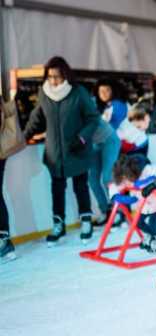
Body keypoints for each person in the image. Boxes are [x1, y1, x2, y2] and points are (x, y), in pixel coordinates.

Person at [24, 56, 100, 246]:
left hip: (77, 149)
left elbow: (93, 118)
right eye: (50, 77)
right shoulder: (44, 94)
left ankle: (86, 222)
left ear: (65, 75)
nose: (53, 81)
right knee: (57, 190)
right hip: (54, 154)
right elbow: (36, 119)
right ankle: (58, 225)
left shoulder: (78, 93)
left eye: (57, 76)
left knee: (80, 187)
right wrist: (22, 138)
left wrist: (82, 137)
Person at [110, 154, 156, 252]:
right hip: (144, 206)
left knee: (152, 223)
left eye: (126, 176)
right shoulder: (124, 176)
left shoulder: (145, 169)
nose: (125, 179)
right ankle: (151, 236)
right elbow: (114, 186)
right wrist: (116, 196)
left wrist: (148, 180)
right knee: (138, 222)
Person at [88, 118, 121, 225]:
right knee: (93, 180)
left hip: (109, 139)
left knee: (108, 177)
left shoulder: (83, 103)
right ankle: (105, 211)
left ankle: (118, 212)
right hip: (94, 143)